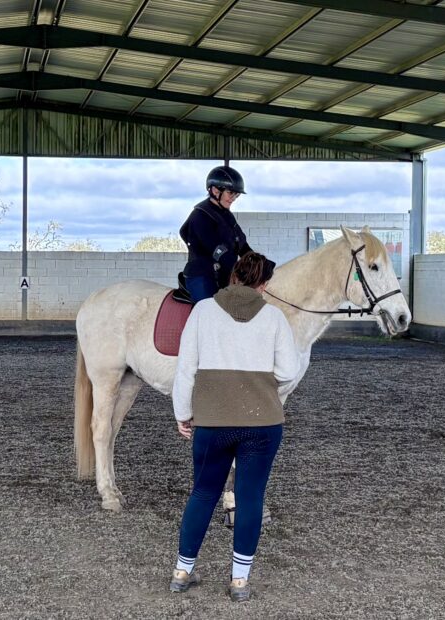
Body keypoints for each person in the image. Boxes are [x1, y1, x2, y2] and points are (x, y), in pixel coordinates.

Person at [169, 252, 300, 602]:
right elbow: (288, 371)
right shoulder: (274, 317)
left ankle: (182, 571)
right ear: (264, 284)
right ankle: (239, 581)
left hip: (213, 423)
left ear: (234, 276)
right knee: (250, 497)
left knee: (203, 493)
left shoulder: (202, 311)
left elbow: (186, 368)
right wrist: (267, 393)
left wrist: (183, 413)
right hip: (263, 424)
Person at [178, 165, 253, 303]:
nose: (233, 198)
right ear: (215, 190)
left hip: (223, 275)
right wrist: (240, 269)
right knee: (209, 311)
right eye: (230, 193)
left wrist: (256, 262)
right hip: (202, 276)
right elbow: (216, 249)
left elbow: (241, 244)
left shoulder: (226, 216)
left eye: (236, 195)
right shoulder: (200, 216)